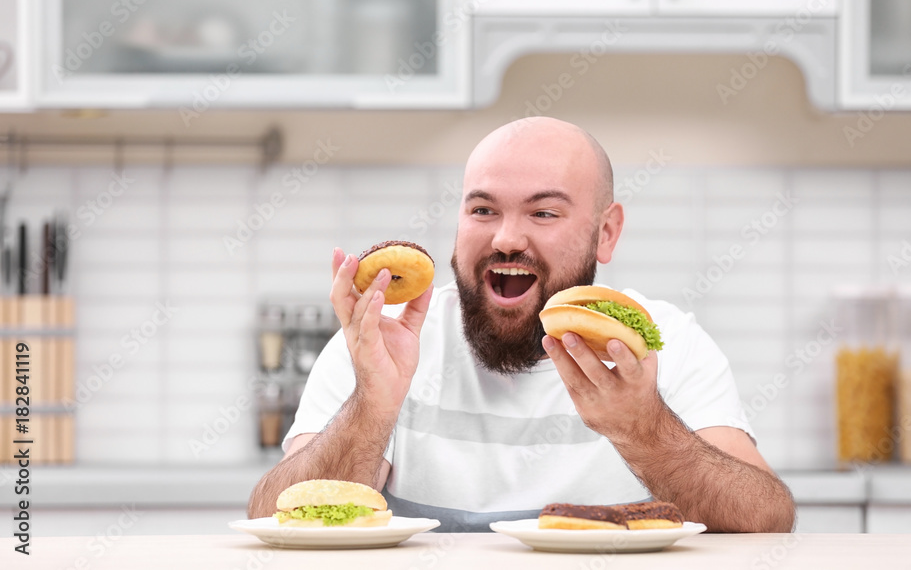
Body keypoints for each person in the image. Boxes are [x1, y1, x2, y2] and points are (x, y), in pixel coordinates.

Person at [248, 118, 795, 533]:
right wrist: (372, 405)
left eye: (544, 213)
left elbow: (768, 520)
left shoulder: (661, 344)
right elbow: (275, 517)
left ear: (606, 233)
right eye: (483, 211)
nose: (507, 238)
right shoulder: (382, 344)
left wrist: (644, 429)